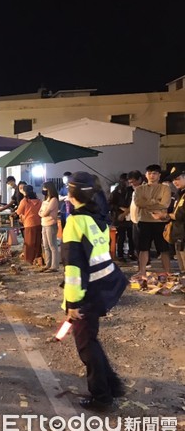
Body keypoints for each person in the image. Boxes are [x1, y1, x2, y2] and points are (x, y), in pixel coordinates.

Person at [62, 171, 127, 411]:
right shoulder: (96, 216)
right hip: (103, 287)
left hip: (87, 292)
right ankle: (113, 386)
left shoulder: (75, 221)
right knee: (92, 341)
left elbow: (74, 269)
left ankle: (101, 397)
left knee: (86, 346)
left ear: (72, 194)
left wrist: (72, 303)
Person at [132, 164, 171, 279]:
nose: (152, 175)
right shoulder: (139, 189)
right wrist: (155, 201)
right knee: (143, 248)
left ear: (159, 175)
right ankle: (142, 271)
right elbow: (139, 203)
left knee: (163, 249)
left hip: (160, 221)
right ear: (146, 175)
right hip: (144, 221)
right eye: (149, 173)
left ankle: (167, 272)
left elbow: (165, 204)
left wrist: (147, 202)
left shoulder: (165, 188)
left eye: (154, 173)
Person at [109, 174, 135, 262]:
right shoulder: (116, 192)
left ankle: (131, 253)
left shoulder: (132, 191)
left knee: (132, 236)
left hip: (131, 216)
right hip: (119, 217)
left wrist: (128, 210)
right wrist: (120, 208)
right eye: (126, 181)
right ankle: (120, 254)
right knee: (121, 236)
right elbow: (110, 204)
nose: (128, 183)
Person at [16, 185, 42, 265]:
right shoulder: (39, 200)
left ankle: (29, 260)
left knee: (29, 243)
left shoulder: (25, 201)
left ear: (25, 192)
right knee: (38, 242)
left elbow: (18, 212)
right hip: (38, 223)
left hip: (29, 223)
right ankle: (38, 258)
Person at [38, 181, 59, 272]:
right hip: (44, 224)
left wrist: (42, 213)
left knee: (52, 245)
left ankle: (54, 266)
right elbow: (40, 212)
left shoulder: (53, 200)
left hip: (51, 224)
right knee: (46, 246)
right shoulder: (45, 200)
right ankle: (48, 264)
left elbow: (45, 212)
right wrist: (42, 213)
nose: (43, 190)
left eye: (44, 188)